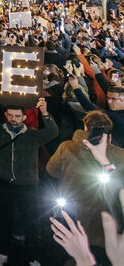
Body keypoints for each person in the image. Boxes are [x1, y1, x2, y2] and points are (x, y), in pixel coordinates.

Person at [47, 110, 124, 262]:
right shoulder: (120, 155)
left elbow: (51, 170)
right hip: (105, 223)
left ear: (85, 127)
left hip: (73, 217)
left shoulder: (66, 147)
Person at [0, 99, 58, 266]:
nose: (14, 119)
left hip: (27, 185)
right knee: (3, 220)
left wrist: (45, 113)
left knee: (31, 222)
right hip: (3, 182)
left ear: (24, 117)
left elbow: (53, 132)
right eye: (10, 115)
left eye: (17, 116)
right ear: (5, 115)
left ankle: (33, 256)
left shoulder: (33, 134)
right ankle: (3, 252)